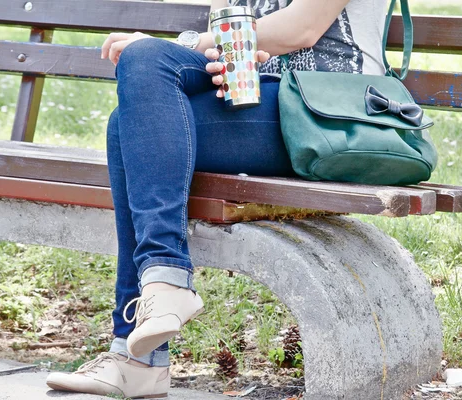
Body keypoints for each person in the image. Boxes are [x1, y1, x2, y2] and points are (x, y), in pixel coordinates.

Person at [45, 0, 388, 397]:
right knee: (128, 117)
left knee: (133, 106)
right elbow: (228, 39)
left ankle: (139, 346)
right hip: (256, 101)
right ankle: (153, 309)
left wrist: (191, 41)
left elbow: (302, 29)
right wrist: (226, 58)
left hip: (330, 113)